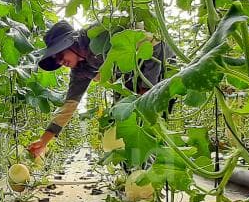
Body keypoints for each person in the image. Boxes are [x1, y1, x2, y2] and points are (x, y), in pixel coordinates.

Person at [27, 20, 172, 157]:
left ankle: (162, 173)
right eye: (56, 60)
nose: (60, 62)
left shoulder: (101, 32)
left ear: (69, 43)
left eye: (59, 54)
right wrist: (44, 141)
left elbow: (156, 46)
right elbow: (69, 105)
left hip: (161, 71)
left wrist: (146, 91)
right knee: (128, 133)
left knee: (157, 128)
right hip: (132, 89)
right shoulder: (80, 70)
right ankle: (137, 176)